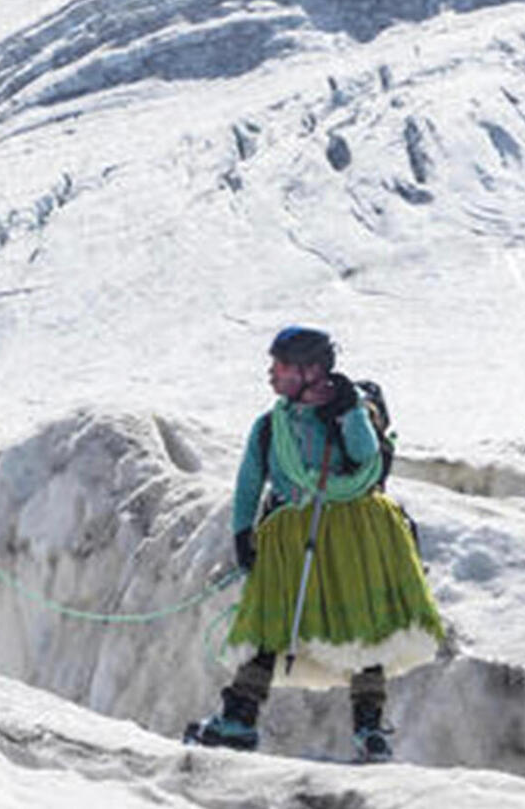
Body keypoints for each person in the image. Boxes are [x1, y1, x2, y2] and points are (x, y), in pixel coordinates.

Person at [184, 326, 445, 761]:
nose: (271, 375)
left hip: (353, 530)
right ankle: (241, 719)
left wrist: (347, 412)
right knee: (274, 626)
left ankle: (365, 729)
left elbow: (367, 460)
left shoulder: (349, 411)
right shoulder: (271, 426)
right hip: (296, 532)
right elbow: (250, 481)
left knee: (365, 628)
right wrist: (242, 531)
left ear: (310, 371)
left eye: (280, 366)